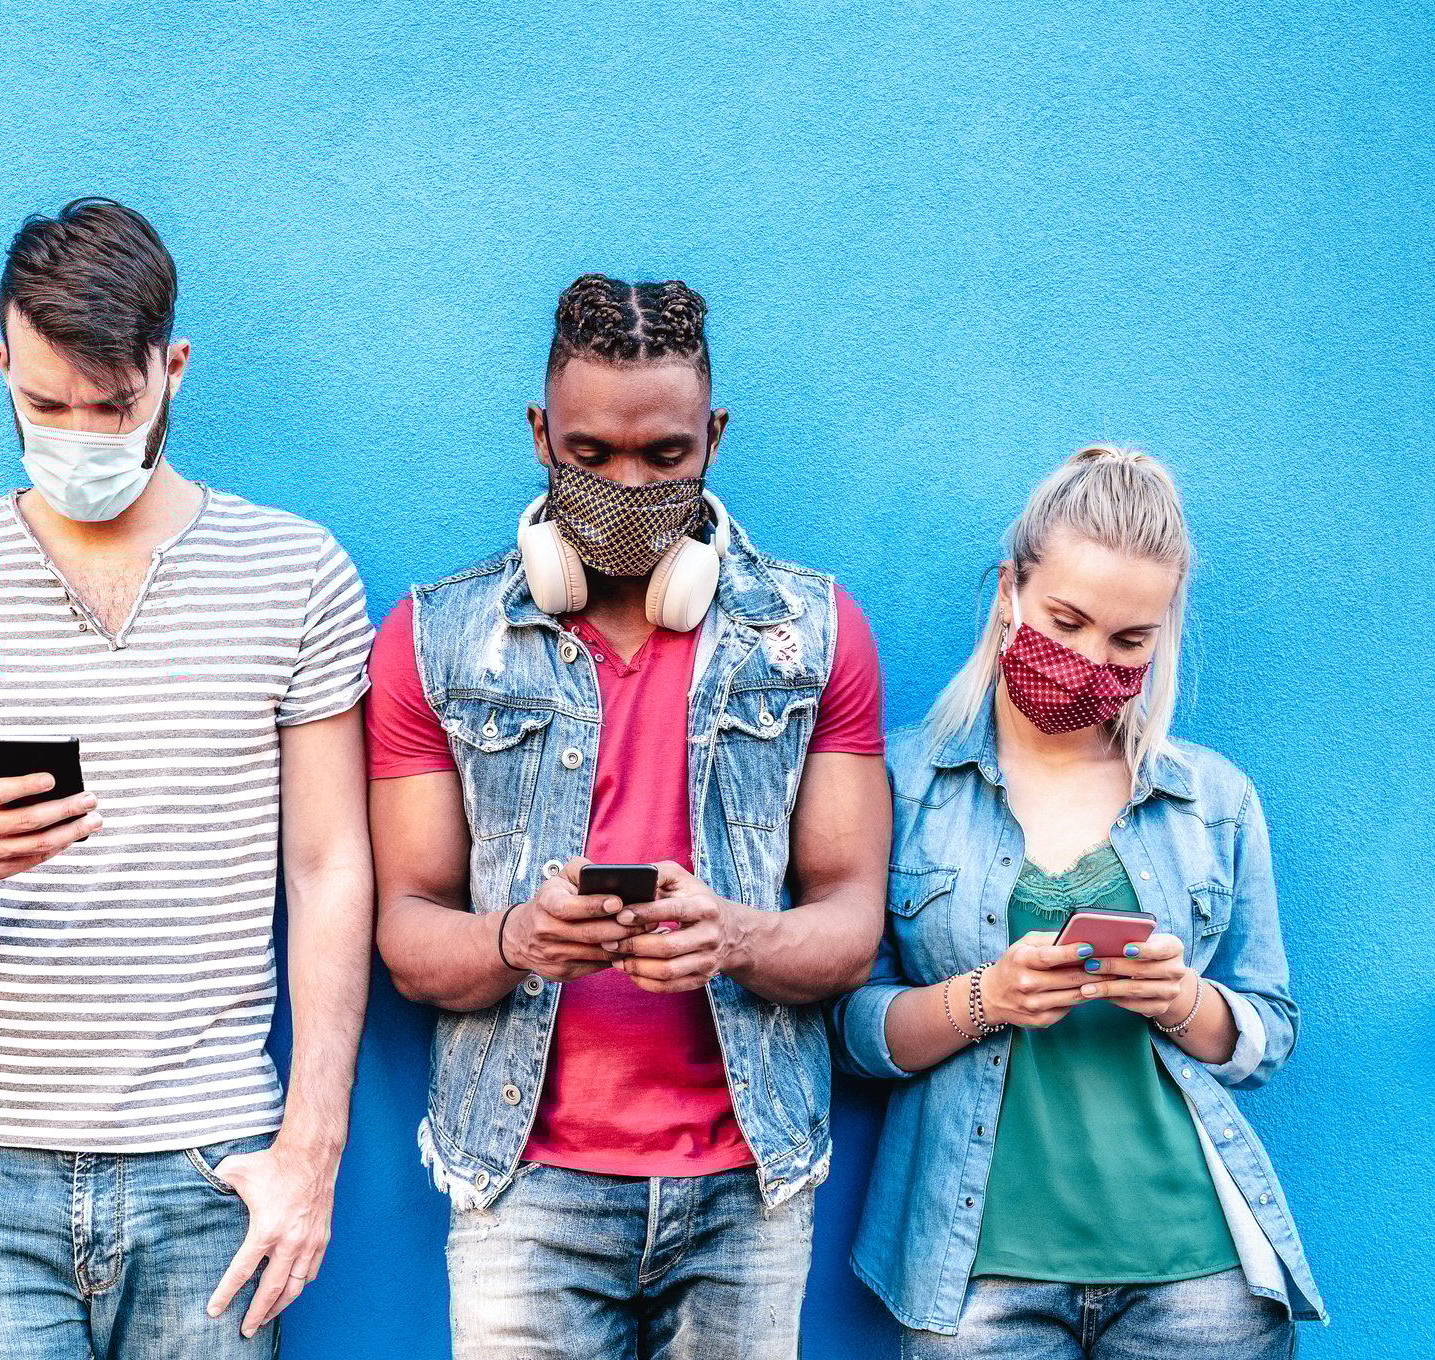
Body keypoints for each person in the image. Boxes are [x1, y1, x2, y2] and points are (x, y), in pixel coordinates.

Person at [0, 197, 375, 1360]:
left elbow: (331, 866)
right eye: (43, 404)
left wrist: (311, 1149)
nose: (80, 432)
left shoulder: (297, 572)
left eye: (115, 405)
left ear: (172, 369)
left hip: (212, 1166)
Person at [369, 274, 890, 1360]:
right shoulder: (434, 640)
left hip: (751, 1185)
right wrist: (518, 938)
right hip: (525, 1188)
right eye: (590, 454)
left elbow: (851, 923)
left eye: (666, 457)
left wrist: (739, 936)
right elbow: (409, 933)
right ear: (538, 435)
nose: (626, 485)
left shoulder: (818, 631)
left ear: (716, 437)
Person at [831, 445, 1326, 1356]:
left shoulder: (1213, 801)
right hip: (973, 1281)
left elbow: (1269, 1030)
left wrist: (1185, 1003)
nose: (1091, 659)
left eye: (1128, 640)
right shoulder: (895, 784)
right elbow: (845, 1030)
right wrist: (985, 1000)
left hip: (1201, 1284)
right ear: (1009, 590)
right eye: (1066, 620)